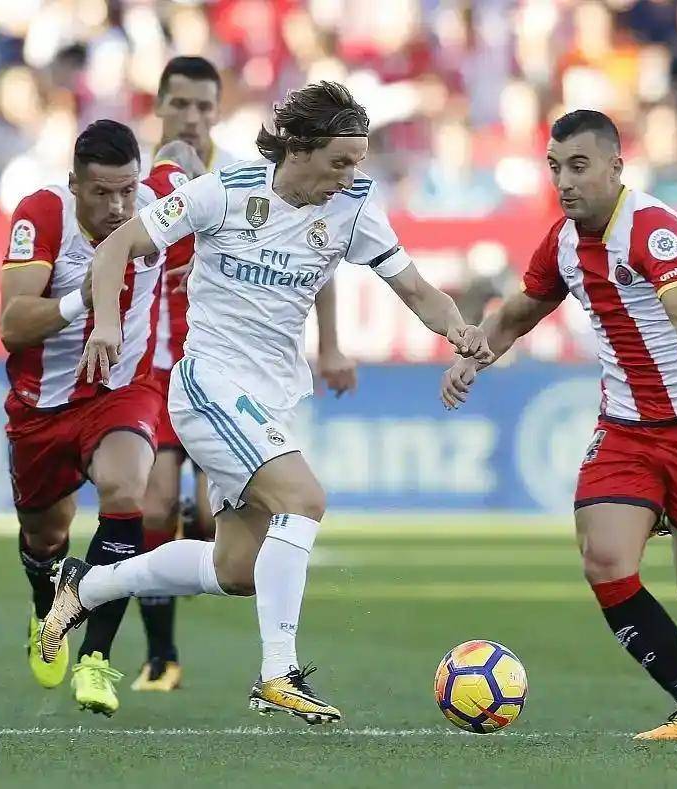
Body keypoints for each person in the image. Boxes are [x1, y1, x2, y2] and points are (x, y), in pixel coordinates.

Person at [40, 81, 490, 725]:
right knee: (303, 499)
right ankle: (277, 673)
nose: (350, 175)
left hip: (271, 399)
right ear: (299, 149)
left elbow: (418, 291)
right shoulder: (224, 192)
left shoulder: (354, 206)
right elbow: (116, 247)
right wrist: (106, 325)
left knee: (239, 568)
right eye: (340, 161)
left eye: (358, 162)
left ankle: (88, 585)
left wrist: (459, 331)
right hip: (209, 384)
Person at [440, 110, 677, 741]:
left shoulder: (652, 229)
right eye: (555, 167)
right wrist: (473, 357)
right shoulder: (561, 243)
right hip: (626, 430)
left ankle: (663, 511)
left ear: (616, 166)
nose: (564, 181)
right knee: (604, 560)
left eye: (578, 166)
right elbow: (520, 313)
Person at [131, 56, 359, 693]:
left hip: (243, 375)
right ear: (160, 106)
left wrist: (330, 346)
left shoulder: (250, 177)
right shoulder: (140, 183)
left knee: (227, 546)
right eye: (181, 104)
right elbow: (117, 250)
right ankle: (162, 653)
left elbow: (316, 258)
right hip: (157, 366)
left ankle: (99, 590)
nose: (193, 117)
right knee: (156, 501)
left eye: (205, 106)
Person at [0, 118, 199, 716]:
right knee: (45, 537)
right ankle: (47, 609)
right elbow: (12, 325)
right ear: (74, 184)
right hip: (43, 406)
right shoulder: (43, 215)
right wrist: (81, 298)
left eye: (127, 191)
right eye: (101, 193)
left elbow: (183, 155)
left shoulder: (162, 201)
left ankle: (96, 657)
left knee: (125, 490)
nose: (117, 207)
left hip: (123, 390)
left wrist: (206, 231)